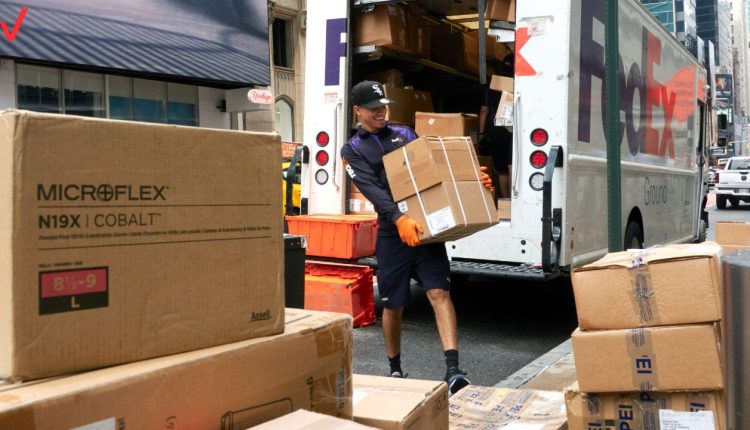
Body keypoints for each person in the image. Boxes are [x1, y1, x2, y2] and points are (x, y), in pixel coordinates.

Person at [340, 80, 493, 396]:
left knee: (439, 292)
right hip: (392, 232)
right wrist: (398, 219)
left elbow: (433, 164)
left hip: (423, 227)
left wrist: (471, 177)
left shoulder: (404, 134)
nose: (381, 113)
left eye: (383, 107)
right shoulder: (352, 150)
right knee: (394, 304)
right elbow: (371, 188)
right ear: (357, 110)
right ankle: (395, 368)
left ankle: (454, 371)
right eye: (373, 109)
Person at [478, 82, 513, 198]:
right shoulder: (518, 83)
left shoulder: (492, 86)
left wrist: (481, 132)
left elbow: (484, 110)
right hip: (515, 128)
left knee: (502, 168)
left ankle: (506, 200)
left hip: (498, 128)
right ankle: (514, 199)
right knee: (512, 165)